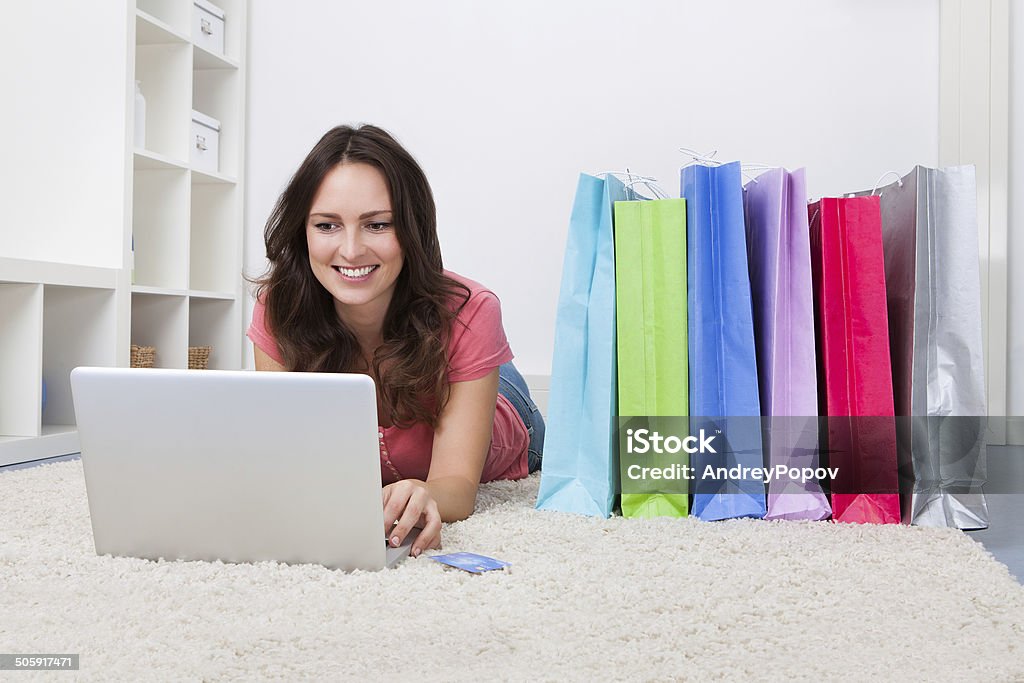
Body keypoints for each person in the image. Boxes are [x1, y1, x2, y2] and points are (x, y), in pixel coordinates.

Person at [247, 124, 544, 559]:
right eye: (327, 225)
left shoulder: (473, 311)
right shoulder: (279, 309)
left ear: (411, 228)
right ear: (302, 231)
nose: (350, 250)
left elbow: (458, 489)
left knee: (493, 383)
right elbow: (287, 460)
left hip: (504, 406)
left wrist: (428, 493)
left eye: (378, 225)